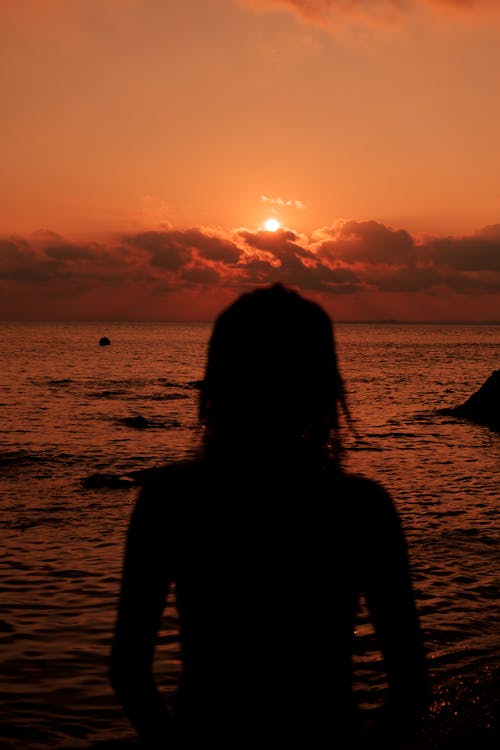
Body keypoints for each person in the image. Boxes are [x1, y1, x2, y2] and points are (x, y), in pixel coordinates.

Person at [109, 283, 430, 748]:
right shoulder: (361, 506)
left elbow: (128, 670)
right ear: (322, 386)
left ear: (219, 380)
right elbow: (410, 681)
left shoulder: (170, 498)